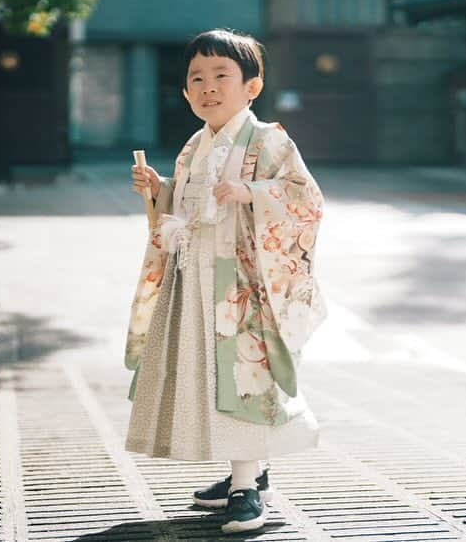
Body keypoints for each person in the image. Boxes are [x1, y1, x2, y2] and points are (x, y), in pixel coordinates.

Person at [125, 28, 327, 534]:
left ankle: (246, 488)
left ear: (251, 87)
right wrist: (163, 189)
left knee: (239, 376)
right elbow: (188, 206)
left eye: (221, 75)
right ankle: (246, 473)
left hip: (241, 283)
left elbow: (306, 200)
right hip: (195, 279)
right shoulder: (195, 144)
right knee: (209, 375)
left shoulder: (268, 139)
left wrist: (252, 190)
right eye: (197, 77)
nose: (207, 86)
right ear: (185, 92)